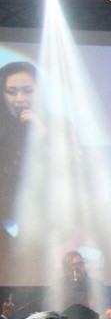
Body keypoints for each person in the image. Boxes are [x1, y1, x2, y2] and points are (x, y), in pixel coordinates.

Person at [0, 61, 44, 224]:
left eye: (27, 91)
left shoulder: (58, 124)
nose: (20, 99)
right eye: (11, 92)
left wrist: (43, 135)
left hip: (45, 219)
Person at [45, 251, 111, 316]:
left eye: (80, 264)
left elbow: (104, 308)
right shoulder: (58, 285)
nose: (77, 268)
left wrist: (107, 312)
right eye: (73, 265)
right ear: (66, 268)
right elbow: (51, 310)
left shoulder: (97, 285)